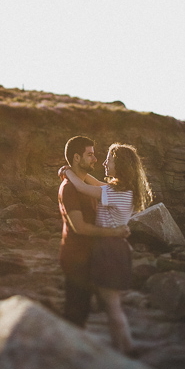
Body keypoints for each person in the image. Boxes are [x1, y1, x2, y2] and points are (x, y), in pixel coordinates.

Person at [59, 142, 152, 353]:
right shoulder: (120, 189)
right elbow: (94, 183)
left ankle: (127, 349)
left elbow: (83, 187)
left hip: (110, 249)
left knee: (112, 306)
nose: (104, 162)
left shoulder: (116, 193)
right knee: (110, 305)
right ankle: (122, 347)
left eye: (108, 159)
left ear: (119, 165)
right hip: (112, 248)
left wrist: (66, 172)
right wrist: (72, 173)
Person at [58, 136, 130, 330]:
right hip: (76, 260)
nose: (95, 159)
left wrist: (67, 171)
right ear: (76, 158)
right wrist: (114, 232)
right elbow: (79, 227)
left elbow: (94, 184)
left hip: (93, 257)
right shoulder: (69, 189)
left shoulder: (90, 188)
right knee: (75, 316)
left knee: (96, 312)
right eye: (90, 155)